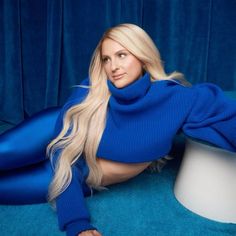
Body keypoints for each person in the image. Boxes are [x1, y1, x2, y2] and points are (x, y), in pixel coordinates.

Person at [0, 23, 236, 236]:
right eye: (106, 59)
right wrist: (76, 221)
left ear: (142, 56)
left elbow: (225, 115)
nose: (113, 67)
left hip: (80, 174)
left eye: (122, 55)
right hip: (53, 139)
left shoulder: (176, 98)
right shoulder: (93, 90)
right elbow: (65, 152)